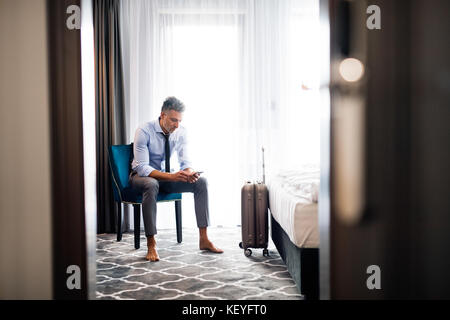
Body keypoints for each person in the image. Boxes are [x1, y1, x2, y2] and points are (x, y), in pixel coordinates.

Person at [129, 96, 223, 261]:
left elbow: (185, 161)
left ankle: (204, 238)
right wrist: (171, 176)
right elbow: (142, 167)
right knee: (151, 184)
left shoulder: (181, 131)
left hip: (167, 177)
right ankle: (151, 244)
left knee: (201, 182)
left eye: (179, 121)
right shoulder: (144, 130)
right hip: (142, 177)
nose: (176, 125)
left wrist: (189, 172)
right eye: (173, 120)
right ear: (162, 115)